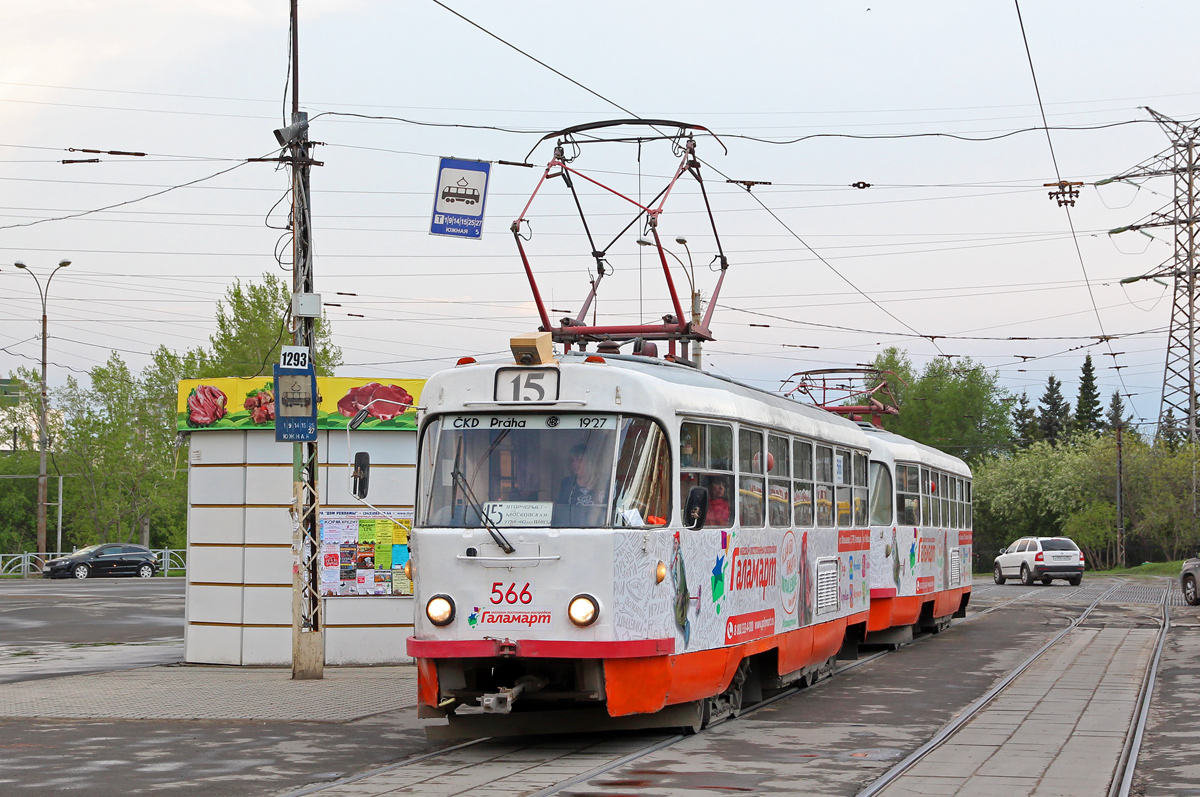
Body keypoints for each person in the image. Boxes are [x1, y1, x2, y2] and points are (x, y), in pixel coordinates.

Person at [554, 443, 606, 526]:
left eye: (579, 460)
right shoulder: (567, 483)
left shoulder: (604, 482)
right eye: (572, 461)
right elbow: (561, 513)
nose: (574, 464)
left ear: (590, 461)